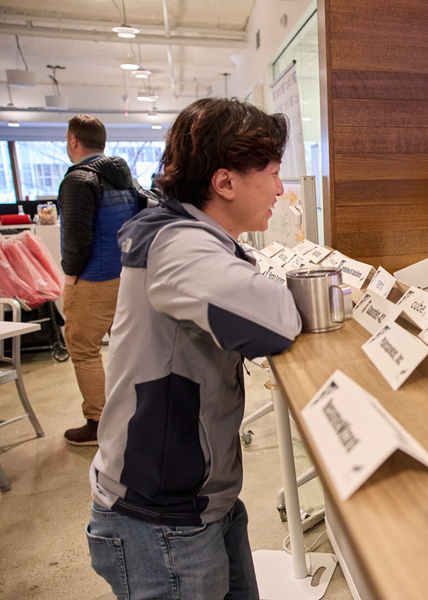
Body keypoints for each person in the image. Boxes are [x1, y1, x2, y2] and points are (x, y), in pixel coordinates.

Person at [86, 98, 303, 599]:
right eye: (270, 174)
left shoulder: (193, 235)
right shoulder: (176, 245)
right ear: (224, 182)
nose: (280, 189)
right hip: (161, 520)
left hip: (197, 502)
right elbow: (273, 321)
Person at [59, 115, 141, 445]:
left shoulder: (78, 180)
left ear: (74, 141)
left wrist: (70, 274)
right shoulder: (123, 175)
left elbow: (76, 239)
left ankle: (97, 421)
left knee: (83, 350)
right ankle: (135, 413)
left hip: (94, 279)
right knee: (127, 348)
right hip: (127, 275)